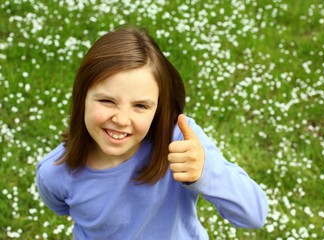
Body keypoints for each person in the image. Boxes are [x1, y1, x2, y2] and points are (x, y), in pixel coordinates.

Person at [36, 25, 268, 240]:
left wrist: (204, 170)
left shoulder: (180, 143)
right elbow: (63, 208)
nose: (121, 120)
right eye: (107, 101)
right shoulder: (54, 172)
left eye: (140, 106)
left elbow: (254, 214)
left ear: (158, 108)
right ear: (81, 98)